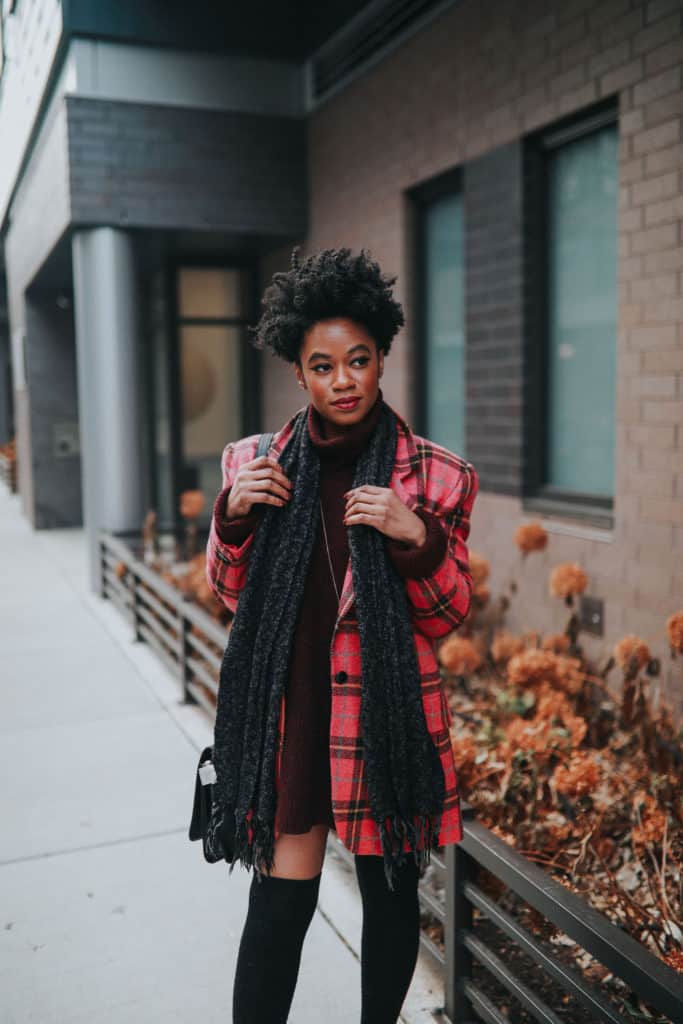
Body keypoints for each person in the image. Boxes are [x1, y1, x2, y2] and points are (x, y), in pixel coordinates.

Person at [205, 247, 479, 1024]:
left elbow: (448, 614)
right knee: (277, 910)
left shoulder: (437, 477)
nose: (344, 379)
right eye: (322, 365)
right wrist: (232, 519)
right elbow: (228, 595)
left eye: (358, 359)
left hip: (383, 726)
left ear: (383, 355)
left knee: (389, 905)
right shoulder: (252, 464)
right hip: (293, 721)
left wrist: (413, 536)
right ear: (299, 371)